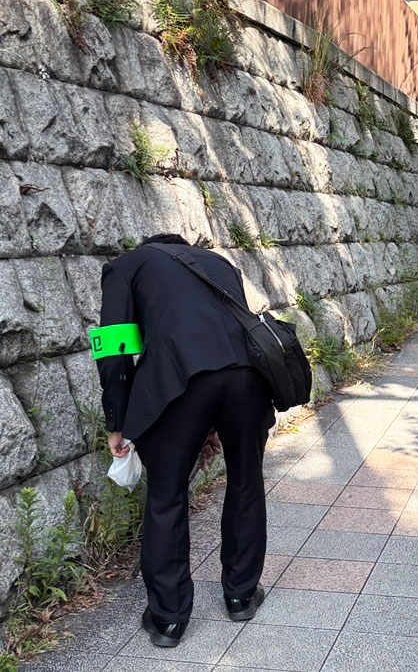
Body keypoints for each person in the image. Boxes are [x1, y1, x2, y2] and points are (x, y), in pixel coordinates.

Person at [96, 234, 275, 648]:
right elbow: (225, 342)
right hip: (248, 377)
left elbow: (114, 350)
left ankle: (168, 619)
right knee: (246, 480)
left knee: (166, 494)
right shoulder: (220, 265)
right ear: (182, 248)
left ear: (151, 247)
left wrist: (117, 423)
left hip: (180, 383)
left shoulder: (127, 266)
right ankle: (242, 594)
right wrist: (212, 423)